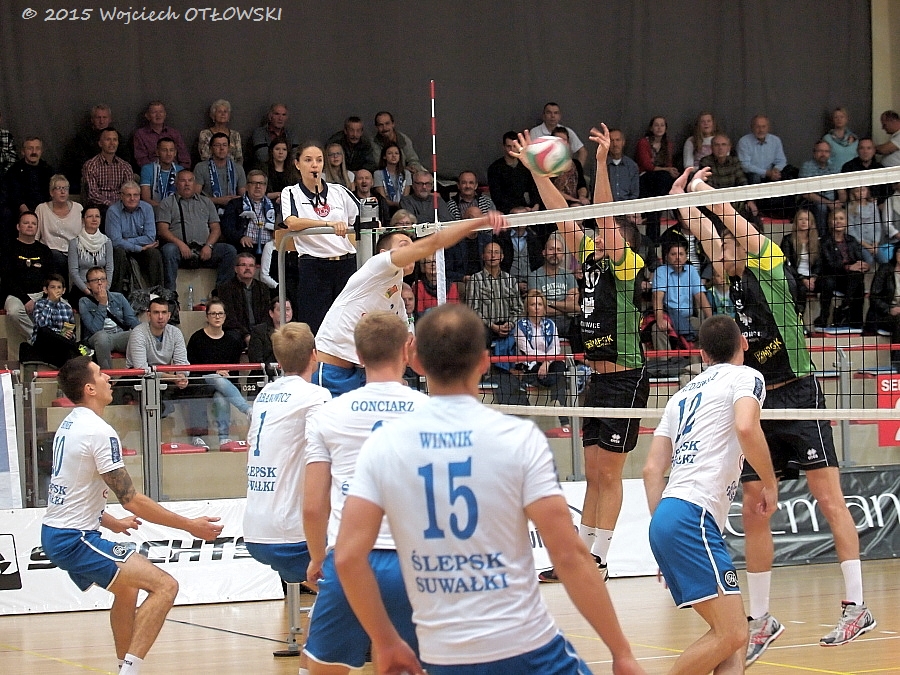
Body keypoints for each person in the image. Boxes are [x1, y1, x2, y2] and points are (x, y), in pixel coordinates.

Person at [333, 303, 645, 675]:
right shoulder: (519, 439)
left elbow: (348, 557)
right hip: (527, 649)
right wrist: (621, 652)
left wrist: (385, 641)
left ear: (416, 361)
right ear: (484, 361)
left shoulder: (384, 445)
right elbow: (570, 555)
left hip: (443, 655)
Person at [679, 169, 877, 665]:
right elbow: (706, 230)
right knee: (755, 507)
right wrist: (679, 198)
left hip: (799, 394)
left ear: (742, 246)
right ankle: (762, 618)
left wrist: (705, 194)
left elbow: (728, 220)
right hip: (760, 402)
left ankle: (856, 606)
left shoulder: (768, 264)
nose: (717, 253)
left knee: (828, 498)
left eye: (725, 246)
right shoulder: (731, 279)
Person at [514, 125, 648, 583]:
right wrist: (536, 171)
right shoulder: (589, 257)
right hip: (597, 379)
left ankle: (599, 560)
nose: (598, 234)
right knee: (593, 473)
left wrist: (601, 162)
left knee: (609, 474)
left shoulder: (627, 264)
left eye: (608, 233)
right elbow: (560, 214)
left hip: (626, 378)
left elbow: (604, 216)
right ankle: (579, 558)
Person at [40, 355, 222, 675]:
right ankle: (130, 671)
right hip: (74, 539)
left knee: (127, 590)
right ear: (89, 389)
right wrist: (190, 526)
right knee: (165, 587)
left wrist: (110, 521)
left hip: (60, 531)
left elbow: (72, 490)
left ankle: (123, 665)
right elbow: (132, 500)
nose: (108, 378)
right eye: (101, 374)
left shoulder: (70, 424)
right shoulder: (98, 431)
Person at [644, 314, 778, 675]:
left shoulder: (680, 395)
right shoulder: (746, 376)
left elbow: (652, 470)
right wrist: (770, 482)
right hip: (693, 516)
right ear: (744, 343)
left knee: (733, 635)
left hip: (669, 516)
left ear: (702, 354)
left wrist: (665, 537)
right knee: (733, 633)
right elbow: (746, 427)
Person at [302, 311, 427, 675]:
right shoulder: (435, 412)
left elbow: (313, 506)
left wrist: (317, 557)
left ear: (357, 354)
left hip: (351, 561)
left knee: (323, 669)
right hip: (419, 564)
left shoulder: (327, 414)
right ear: (407, 348)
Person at [313, 211, 507, 396]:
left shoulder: (397, 301)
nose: (411, 251)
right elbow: (433, 243)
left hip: (363, 374)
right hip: (332, 371)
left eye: (411, 245)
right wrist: (478, 222)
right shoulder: (376, 266)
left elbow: (411, 356)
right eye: (404, 245)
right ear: (384, 253)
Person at [243, 320, 329, 675]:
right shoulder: (316, 397)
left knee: (337, 591)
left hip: (255, 529)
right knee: (350, 584)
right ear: (314, 355)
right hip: (288, 532)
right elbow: (326, 454)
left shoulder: (266, 393)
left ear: (278, 361)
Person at [281, 141, 360, 334]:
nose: (314, 165)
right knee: (316, 326)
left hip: (346, 264)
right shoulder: (290, 192)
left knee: (349, 324)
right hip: (314, 266)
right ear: (297, 164)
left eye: (319, 160)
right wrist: (328, 225)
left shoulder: (339, 191)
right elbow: (292, 222)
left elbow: (363, 216)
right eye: (308, 160)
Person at [156, 169, 237, 292]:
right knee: (168, 250)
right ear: (176, 184)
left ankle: (221, 294)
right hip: (180, 250)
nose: (187, 184)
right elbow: (163, 230)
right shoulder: (167, 203)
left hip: (204, 249)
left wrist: (209, 246)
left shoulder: (206, 202)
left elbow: (216, 229)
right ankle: (169, 294)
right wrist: (181, 245)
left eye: (190, 180)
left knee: (229, 251)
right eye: (183, 181)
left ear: (195, 184)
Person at [186, 300, 252, 448]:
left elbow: (234, 369)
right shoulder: (197, 338)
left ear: (225, 316)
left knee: (221, 398)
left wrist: (226, 375)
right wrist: (215, 372)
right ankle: (247, 409)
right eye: (213, 313)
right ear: (207, 316)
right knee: (216, 377)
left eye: (220, 313)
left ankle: (223, 438)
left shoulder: (233, 339)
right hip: (201, 382)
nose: (217, 317)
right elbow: (192, 368)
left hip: (225, 384)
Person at [125, 297, 191, 427]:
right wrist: (173, 378)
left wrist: (182, 376)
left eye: (164, 312)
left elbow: (182, 363)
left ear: (169, 315)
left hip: (166, 377)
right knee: (150, 389)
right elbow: (141, 370)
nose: (160, 317)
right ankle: (153, 436)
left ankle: (197, 434)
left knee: (198, 387)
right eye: (156, 312)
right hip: (137, 379)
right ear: (149, 315)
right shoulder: (138, 333)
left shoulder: (175, 333)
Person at [514, 289, 569, 427]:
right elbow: (528, 351)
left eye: (539, 304)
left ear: (544, 307)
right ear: (527, 308)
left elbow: (556, 348)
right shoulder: (520, 326)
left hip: (548, 365)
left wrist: (547, 362)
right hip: (530, 366)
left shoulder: (551, 324)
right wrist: (546, 360)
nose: (537, 307)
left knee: (560, 366)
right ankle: (564, 420)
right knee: (560, 378)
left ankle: (557, 403)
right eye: (533, 304)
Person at [3, 211, 56, 344]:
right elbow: (7, 279)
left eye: (33, 223)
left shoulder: (44, 250)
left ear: (37, 227)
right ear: (18, 226)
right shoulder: (8, 248)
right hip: (16, 295)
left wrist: (46, 296)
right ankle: (38, 339)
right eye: (26, 223)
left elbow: (52, 276)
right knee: (14, 312)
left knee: (65, 306)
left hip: (41, 294)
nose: (30, 226)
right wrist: (26, 299)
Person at [651, 238, 712, 348]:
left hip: (688, 318)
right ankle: (665, 359)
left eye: (681, 254)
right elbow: (657, 298)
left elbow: (701, 297)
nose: (677, 257)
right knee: (657, 330)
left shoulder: (691, 270)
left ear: (686, 256)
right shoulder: (661, 271)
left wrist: (711, 321)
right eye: (673, 254)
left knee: (706, 330)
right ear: (667, 256)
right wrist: (660, 320)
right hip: (669, 318)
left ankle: (696, 359)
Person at [815, 207, 868, 330]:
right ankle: (830, 314)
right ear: (830, 222)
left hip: (848, 278)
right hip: (830, 276)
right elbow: (829, 264)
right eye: (835, 219)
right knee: (849, 279)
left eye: (841, 218)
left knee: (858, 278)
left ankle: (852, 317)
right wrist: (849, 267)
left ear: (846, 222)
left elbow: (859, 258)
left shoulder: (851, 240)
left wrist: (864, 265)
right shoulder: (824, 241)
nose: (838, 221)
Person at [106, 181, 163, 292]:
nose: (132, 198)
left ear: (139, 196)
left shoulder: (147, 208)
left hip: (142, 249)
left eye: (135, 195)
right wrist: (139, 248)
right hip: (123, 250)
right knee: (118, 253)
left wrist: (127, 240)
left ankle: (156, 294)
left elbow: (150, 237)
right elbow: (115, 241)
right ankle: (116, 295)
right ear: (121, 196)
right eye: (128, 195)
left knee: (154, 254)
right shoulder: (113, 211)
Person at [79, 266, 139, 370]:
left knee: (138, 334)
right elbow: (94, 330)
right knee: (102, 337)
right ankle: (108, 375)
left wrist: (147, 330)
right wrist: (102, 304)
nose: (99, 283)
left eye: (102, 279)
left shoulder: (119, 297)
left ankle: (140, 373)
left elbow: (132, 321)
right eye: (95, 280)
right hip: (97, 338)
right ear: (88, 285)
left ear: (106, 282)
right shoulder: (84, 302)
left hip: (119, 335)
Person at [25, 273, 88, 367]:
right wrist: (51, 302)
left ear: (63, 291)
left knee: (67, 348)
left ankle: (74, 350)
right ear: (45, 290)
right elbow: (41, 324)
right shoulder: (39, 304)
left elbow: (72, 331)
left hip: (60, 344)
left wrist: (69, 335)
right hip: (43, 343)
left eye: (59, 287)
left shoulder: (67, 308)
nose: (56, 290)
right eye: (52, 287)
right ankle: (77, 348)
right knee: (44, 331)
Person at [527, 231, 579, 341]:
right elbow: (536, 308)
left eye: (559, 250)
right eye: (551, 249)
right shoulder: (534, 276)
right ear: (544, 253)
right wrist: (565, 309)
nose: (555, 253)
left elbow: (575, 307)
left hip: (568, 323)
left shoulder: (569, 276)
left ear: (563, 255)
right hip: (543, 322)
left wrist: (548, 303)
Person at [213, 251, 270, 346]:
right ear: (236, 269)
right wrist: (246, 335)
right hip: (236, 330)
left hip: (259, 330)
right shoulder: (225, 289)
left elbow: (266, 313)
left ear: (255, 269)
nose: (247, 268)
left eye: (251, 265)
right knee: (232, 337)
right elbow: (229, 317)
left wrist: (258, 333)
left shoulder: (263, 288)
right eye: (243, 265)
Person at [635, 116, 678, 242]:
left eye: (662, 125)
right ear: (651, 128)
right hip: (646, 179)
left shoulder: (668, 144)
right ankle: (655, 212)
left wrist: (671, 171)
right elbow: (647, 165)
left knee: (668, 178)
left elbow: (668, 164)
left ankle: (661, 213)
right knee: (664, 177)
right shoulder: (644, 143)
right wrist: (667, 170)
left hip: (660, 181)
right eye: (656, 125)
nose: (659, 128)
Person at [220, 170, 276, 255]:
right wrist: (240, 237)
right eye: (253, 183)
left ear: (265, 186)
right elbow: (227, 227)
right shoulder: (235, 204)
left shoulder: (274, 206)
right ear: (246, 186)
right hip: (245, 246)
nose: (258, 186)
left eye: (261, 183)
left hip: (269, 247)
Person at [35, 173, 84, 273]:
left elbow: (84, 234)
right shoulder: (42, 209)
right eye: (58, 188)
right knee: (56, 257)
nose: (63, 192)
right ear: (51, 192)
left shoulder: (78, 208)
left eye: (65, 188)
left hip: (74, 253)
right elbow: (36, 236)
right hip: (50, 253)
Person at [487, 131, 542, 215]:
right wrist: (511, 210)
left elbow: (534, 187)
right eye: (509, 146)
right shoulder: (495, 168)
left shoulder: (526, 165)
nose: (512, 149)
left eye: (514, 146)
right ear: (503, 147)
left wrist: (536, 204)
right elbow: (496, 195)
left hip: (528, 208)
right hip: (506, 211)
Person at [82, 127, 134, 213]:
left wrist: (120, 205)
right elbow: (92, 194)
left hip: (122, 208)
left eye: (115, 140)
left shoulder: (125, 166)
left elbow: (129, 191)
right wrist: (111, 205)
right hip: (99, 208)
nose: (112, 143)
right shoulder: (91, 165)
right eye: (108, 139)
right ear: (100, 143)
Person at [68, 205, 113, 302]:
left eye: (97, 216)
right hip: (82, 289)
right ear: (83, 220)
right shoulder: (75, 243)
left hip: (102, 288)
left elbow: (109, 268)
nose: (94, 219)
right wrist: (87, 291)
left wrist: (105, 289)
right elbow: (73, 271)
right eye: (90, 216)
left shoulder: (106, 242)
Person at [193, 132, 247, 214]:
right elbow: (195, 197)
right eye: (217, 145)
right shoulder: (201, 167)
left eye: (224, 145)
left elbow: (244, 195)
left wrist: (234, 200)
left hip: (233, 211)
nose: (221, 148)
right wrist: (218, 200)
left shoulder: (238, 168)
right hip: (207, 210)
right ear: (211, 148)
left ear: (229, 148)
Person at [780, 208, 820, 316]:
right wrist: (802, 278)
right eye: (800, 219)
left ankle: (824, 320)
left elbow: (819, 264)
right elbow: (787, 264)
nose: (803, 222)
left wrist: (813, 277)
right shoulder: (788, 240)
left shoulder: (817, 241)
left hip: (812, 277)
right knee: (801, 288)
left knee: (828, 284)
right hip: (795, 276)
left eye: (806, 219)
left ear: (811, 223)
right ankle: (799, 318)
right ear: (796, 222)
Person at [864, 241, 900, 364]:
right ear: (895, 254)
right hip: (883, 315)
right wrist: (889, 309)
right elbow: (874, 297)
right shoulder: (885, 269)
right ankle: (897, 361)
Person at [3, 136, 55, 220]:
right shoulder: (14, 170)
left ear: (41, 151)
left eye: (37, 148)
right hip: (20, 211)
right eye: (30, 148)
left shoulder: (48, 170)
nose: (34, 152)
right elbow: (15, 196)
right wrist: (28, 214)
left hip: (44, 210)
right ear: (23, 151)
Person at [799, 140, 840, 238]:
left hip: (832, 201)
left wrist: (840, 202)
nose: (823, 154)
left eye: (826, 151)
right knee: (821, 207)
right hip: (812, 201)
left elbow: (842, 191)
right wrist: (829, 203)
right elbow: (806, 193)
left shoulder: (834, 167)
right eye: (820, 151)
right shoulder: (807, 167)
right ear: (814, 153)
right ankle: (821, 238)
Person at [132, 101, 191, 168]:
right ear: (147, 116)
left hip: (175, 171)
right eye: (154, 112)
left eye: (161, 112)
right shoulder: (140, 134)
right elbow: (141, 159)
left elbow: (184, 158)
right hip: (152, 171)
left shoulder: (174, 133)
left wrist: (181, 171)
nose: (158, 115)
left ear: (165, 114)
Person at [529, 101, 588, 166]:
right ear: (543, 116)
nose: (552, 116)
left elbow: (583, 152)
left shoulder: (567, 131)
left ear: (559, 116)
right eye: (549, 112)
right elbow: (530, 155)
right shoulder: (535, 132)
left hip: (564, 169)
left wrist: (578, 169)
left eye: (556, 113)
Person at [737, 114, 787, 184]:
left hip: (771, 174)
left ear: (768, 128)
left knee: (786, 174)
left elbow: (781, 160)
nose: (761, 130)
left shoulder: (775, 140)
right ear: (752, 128)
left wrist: (776, 170)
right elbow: (745, 165)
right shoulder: (744, 141)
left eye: (764, 126)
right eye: (757, 127)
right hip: (752, 175)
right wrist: (766, 173)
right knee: (755, 177)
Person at [606, 128, 642, 225]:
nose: (615, 144)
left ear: (623, 142)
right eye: (611, 141)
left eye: (618, 140)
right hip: (606, 210)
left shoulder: (632, 166)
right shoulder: (600, 166)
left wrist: (626, 209)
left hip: (627, 211)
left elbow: (634, 193)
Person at [138, 137, 184, 208]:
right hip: (154, 209)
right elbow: (146, 199)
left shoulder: (180, 170)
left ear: (175, 153)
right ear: (157, 152)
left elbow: (184, 196)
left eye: (171, 150)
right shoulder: (147, 169)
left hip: (177, 209)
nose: (168, 154)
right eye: (164, 150)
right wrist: (164, 208)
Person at [412, 252, 459, 318]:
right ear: (423, 266)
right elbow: (420, 314)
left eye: (436, 261)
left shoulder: (452, 286)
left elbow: (455, 311)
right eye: (429, 262)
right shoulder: (419, 287)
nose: (433, 264)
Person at [550, 127, 590, 205]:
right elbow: (550, 190)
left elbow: (582, 185)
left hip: (576, 203)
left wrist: (582, 197)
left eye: (564, 140)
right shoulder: (547, 165)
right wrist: (573, 200)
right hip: (555, 203)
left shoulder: (576, 163)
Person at [197, 99, 243, 164]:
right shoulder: (205, 134)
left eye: (225, 111)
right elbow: (205, 157)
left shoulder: (235, 135)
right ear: (213, 115)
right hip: (210, 168)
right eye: (219, 111)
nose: (223, 114)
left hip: (233, 168)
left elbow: (239, 158)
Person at [247, 298, 291, 365]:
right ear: (271, 313)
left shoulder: (298, 331)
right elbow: (256, 360)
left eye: (287, 309)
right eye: (280, 310)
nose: (285, 313)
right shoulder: (259, 331)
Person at [373, 142, 411, 215]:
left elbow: (406, 197)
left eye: (396, 153)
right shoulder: (378, 174)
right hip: (386, 210)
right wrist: (396, 204)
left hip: (403, 209)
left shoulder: (406, 173)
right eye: (390, 153)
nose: (394, 156)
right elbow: (382, 199)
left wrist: (401, 205)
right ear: (384, 156)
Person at [264, 138, 296, 210]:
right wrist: (280, 194)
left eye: (284, 149)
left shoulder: (293, 171)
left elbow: (297, 191)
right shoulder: (264, 169)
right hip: (267, 206)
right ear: (271, 151)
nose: (281, 152)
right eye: (277, 149)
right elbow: (261, 193)